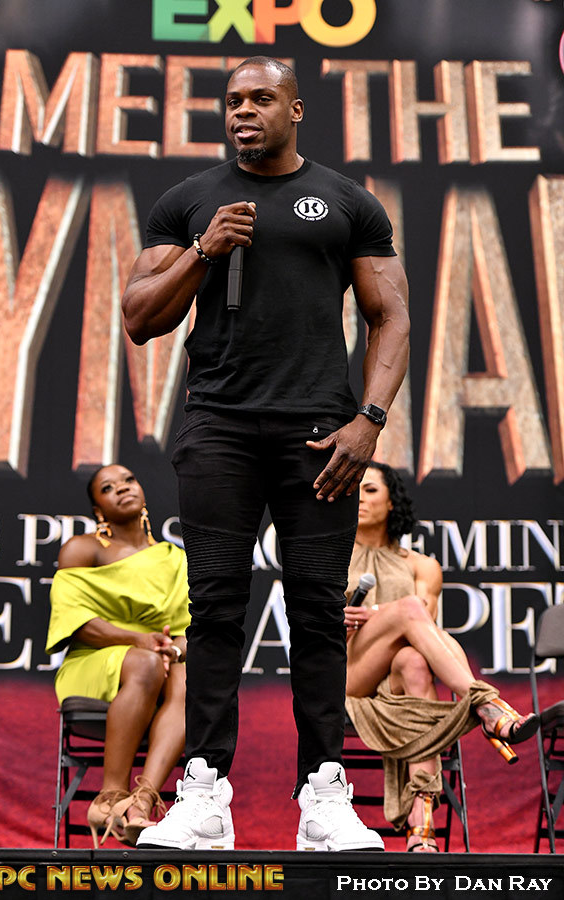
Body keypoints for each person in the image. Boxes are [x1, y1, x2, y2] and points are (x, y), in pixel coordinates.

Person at [122, 55, 410, 852]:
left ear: (296, 109)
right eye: (232, 102)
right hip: (219, 425)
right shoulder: (190, 202)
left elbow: (390, 316)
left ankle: (324, 797)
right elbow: (140, 318)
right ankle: (203, 794)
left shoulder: (347, 202)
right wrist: (203, 250)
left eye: (259, 99)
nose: (242, 112)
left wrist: (368, 421)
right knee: (215, 605)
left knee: (316, 611)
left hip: (319, 433)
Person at [344, 462, 539, 852]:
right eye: (355, 490)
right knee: (409, 609)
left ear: (392, 502)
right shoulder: (331, 557)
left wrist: (378, 614)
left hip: (397, 674)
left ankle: (422, 821)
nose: (360, 498)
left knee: (415, 661)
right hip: (346, 671)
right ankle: (487, 706)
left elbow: (423, 624)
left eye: (370, 490)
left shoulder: (422, 565)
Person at [45, 464, 190, 848]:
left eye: (128, 480)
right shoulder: (83, 549)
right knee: (146, 663)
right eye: (108, 488)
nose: (122, 489)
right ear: (98, 509)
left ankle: (141, 802)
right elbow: (76, 622)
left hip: (159, 665)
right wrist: (139, 641)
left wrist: (172, 648)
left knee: (189, 675)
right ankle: (109, 797)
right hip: (95, 662)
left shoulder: (173, 558)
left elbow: (187, 629)